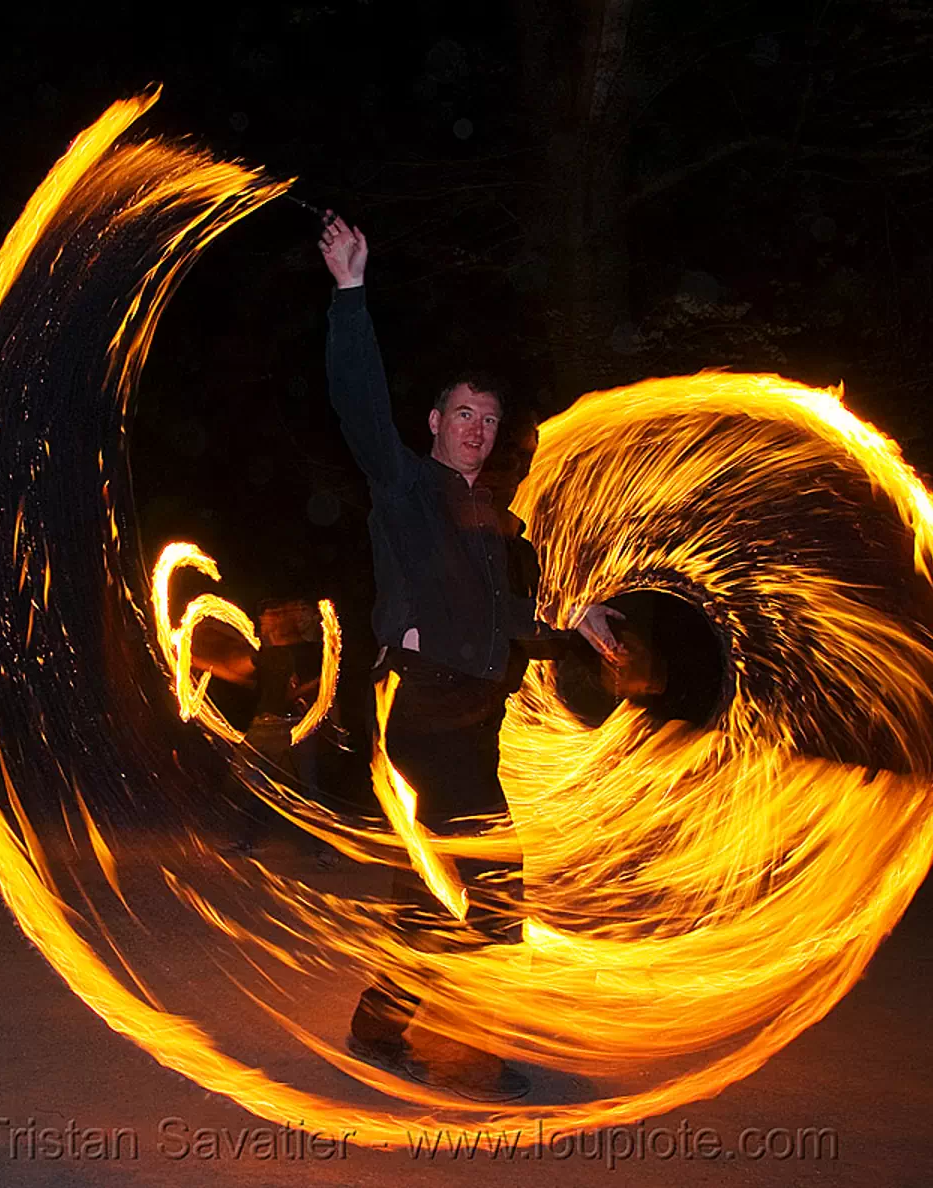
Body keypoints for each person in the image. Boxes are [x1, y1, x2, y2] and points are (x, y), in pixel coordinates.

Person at [319, 210, 624, 1101]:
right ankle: (460, 1046)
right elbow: (357, 403)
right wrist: (349, 296)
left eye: (489, 421)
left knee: (457, 899)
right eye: (463, 414)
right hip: (428, 715)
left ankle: (392, 1025)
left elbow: (515, 627)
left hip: (477, 721)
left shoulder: (500, 524)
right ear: (434, 421)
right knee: (483, 892)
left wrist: (580, 623)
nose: (477, 430)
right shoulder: (405, 487)